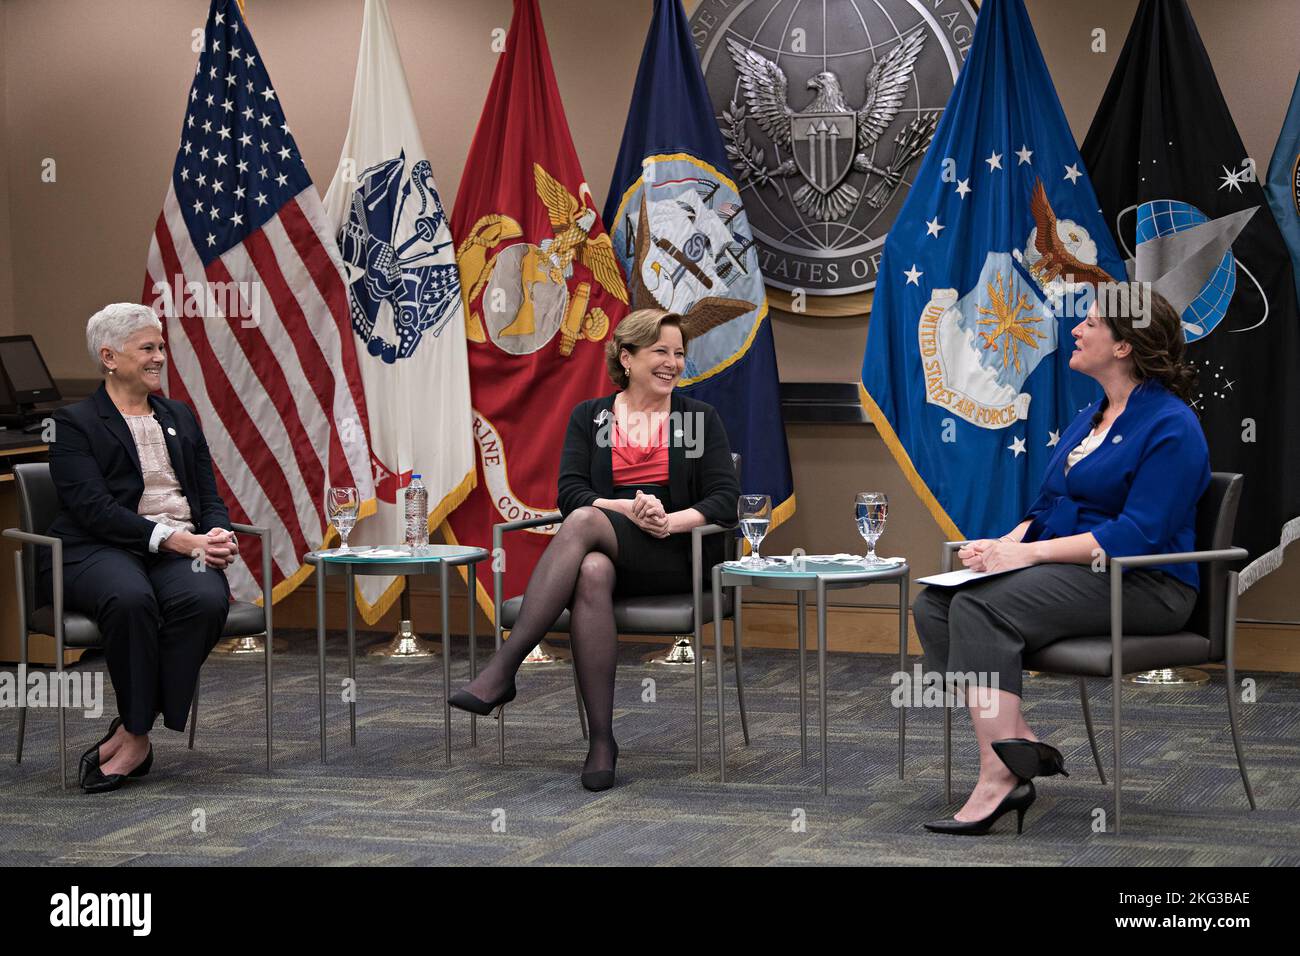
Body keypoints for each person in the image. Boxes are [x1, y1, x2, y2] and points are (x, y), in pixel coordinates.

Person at [913, 288, 1209, 834]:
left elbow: (1135, 535)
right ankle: (1018, 743)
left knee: (981, 611)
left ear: (1124, 346)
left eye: (1091, 323)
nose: (1076, 330)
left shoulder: (1171, 425)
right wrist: (1000, 547)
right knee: (936, 602)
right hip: (1076, 573)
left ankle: (999, 773)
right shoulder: (1088, 417)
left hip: (1145, 585)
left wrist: (1027, 554)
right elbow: (1050, 506)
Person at [449, 308, 739, 791]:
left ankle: (504, 667)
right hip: (615, 550)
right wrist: (626, 510)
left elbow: (723, 499)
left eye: (679, 354)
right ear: (627, 358)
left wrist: (668, 521)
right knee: (592, 570)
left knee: (586, 525)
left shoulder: (699, 418)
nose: (673, 363)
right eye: (660, 352)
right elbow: (571, 493)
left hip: (676, 555)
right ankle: (602, 742)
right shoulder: (591, 417)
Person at [38, 303, 239, 794]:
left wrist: (215, 534)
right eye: (147, 348)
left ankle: (132, 728)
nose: (159, 358)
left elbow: (207, 494)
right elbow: (94, 509)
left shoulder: (179, 414)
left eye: (161, 347)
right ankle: (137, 738)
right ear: (109, 357)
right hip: (97, 548)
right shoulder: (73, 423)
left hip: (178, 544)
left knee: (206, 598)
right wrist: (173, 538)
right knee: (131, 599)